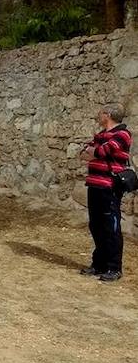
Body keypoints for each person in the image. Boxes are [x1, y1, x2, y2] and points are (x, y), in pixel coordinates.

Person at [79, 104, 132, 282]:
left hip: (109, 186)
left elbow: (102, 151)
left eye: (101, 113)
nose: (98, 115)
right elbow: (83, 153)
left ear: (107, 115)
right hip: (94, 185)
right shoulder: (100, 135)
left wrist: (95, 151)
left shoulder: (123, 134)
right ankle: (99, 264)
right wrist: (94, 152)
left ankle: (114, 267)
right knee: (96, 225)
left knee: (111, 227)